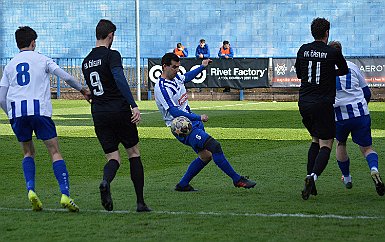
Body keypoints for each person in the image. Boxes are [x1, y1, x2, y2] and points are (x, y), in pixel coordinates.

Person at [0, 26, 90, 212]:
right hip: (39, 110)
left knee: (28, 152)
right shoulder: (42, 59)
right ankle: (65, 194)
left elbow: (1, 97)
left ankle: (31, 190)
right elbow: (65, 77)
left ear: (18, 43)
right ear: (33, 42)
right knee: (54, 151)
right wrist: (82, 90)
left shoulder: (10, 65)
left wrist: (10, 114)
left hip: (18, 113)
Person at [154, 52, 256, 192]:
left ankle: (183, 185)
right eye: (174, 67)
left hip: (192, 122)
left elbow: (187, 77)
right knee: (215, 146)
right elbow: (174, 112)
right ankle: (237, 179)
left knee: (206, 156)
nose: (177, 70)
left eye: (178, 67)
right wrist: (198, 117)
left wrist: (202, 67)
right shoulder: (161, 87)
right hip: (183, 128)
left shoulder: (176, 77)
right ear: (164, 66)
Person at [82, 19, 150, 212]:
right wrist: (133, 104)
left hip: (99, 112)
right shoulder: (112, 55)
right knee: (134, 153)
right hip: (118, 110)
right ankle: (140, 202)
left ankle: (105, 181)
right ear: (110, 35)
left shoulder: (86, 61)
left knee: (113, 158)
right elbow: (119, 79)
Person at [295, 18, 349, 200]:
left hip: (304, 103)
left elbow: (299, 74)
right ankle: (312, 177)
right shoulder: (332, 52)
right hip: (323, 103)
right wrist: (329, 72)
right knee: (326, 143)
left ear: (312, 32)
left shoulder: (303, 49)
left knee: (315, 140)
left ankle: (312, 185)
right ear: (327, 33)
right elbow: (344, 70)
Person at [329, 41, 384, 196]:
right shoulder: (352, 66)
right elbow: (367, 93)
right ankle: (374, 169)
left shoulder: (326, 70)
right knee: (367, 148)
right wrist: (362, 107)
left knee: (341, 144)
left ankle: (346, 178)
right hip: (360, 114)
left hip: (339, 115)